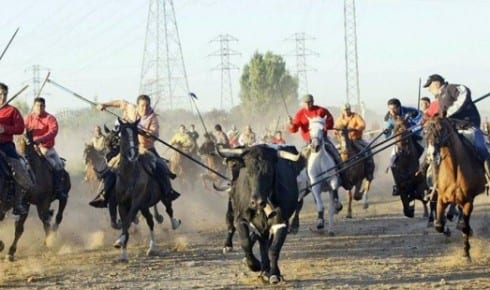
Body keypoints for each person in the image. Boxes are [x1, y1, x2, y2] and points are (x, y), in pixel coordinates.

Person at [89, 95, 180, 208]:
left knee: (161, 165)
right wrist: (104, 105)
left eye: (147, 105)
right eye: (142, 105)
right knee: (111, 166)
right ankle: (104, 193)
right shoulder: (131, 109)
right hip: (127, 147)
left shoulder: (152, 118)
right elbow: (120, 102)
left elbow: (155, 134)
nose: (144, 108)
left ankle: (168, 191)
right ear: (138, 105)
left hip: (145, 148)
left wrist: (147, 133)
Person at [423, 73, 490, 186]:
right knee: (433, 150)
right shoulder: (439, 98)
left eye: (429, 87)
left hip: (467, 126)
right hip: (451, 130)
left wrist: (448, 112)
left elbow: (464, 94)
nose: (429, 90)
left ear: (436, 83)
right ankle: (433, 183)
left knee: (482, 149)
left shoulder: (452, 88)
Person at [287, 93, 343, 212]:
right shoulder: (300, 114)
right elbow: (294, 128)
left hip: (323, 140)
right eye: (306, 103)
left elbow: (330, 121)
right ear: (303, 104)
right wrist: (291, 125)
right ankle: (301, 182)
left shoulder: (321, 110)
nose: (308, 105)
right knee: (300, 160)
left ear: (313, 102)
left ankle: (341, 171)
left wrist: (323, 128)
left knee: (334, 153)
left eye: (310, 102)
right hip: (308, 142)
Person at [0, 83, 33, 215]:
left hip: (6, 147)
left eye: (4, 94)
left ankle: (18, 202)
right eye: (0, 94)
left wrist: (4, 129)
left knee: (23, 176)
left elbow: (20, 129)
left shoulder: (12, 111)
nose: (2, 97)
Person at [24, 97, 67, 200]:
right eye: (37, 106)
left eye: (42, 106)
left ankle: (58, 189)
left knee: (58, 165)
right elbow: (20, 128)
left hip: (46, 148)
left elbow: (53, 131)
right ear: (33, 107)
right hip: (30, 149)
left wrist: (41, 139)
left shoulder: (50, 118)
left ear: (45, 106)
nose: (39, 108)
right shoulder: (28, 118)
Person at [383, 97, 423, 196]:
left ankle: (424, 181)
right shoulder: (388, 118)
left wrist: (412, 130)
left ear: (399, 107)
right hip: (399, 141)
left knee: (425, 154)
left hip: (414, 136)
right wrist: (387, 132)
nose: (392, 111)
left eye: (394, 109)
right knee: (392, 162)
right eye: (390, 109)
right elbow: (387, 134)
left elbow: (421, 121)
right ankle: (398, 185)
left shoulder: (411, 111)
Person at [334, 103, 374, 184]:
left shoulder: (356, 116)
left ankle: (369, 170)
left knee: (367, 149)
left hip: (356, 139)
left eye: (348, 109)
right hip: (343, 142)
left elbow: (363, 125)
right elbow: (335, 131)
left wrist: (354, 129)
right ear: (342, 111)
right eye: (345, 110)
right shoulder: (339, 120)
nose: (347, 111)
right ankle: (336, 174)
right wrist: (339, 134)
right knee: (333, 153)